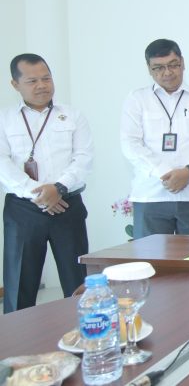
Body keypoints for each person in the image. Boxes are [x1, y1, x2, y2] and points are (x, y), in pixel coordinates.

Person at [0, 54, 93, 313]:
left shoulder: (72, 115)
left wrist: (58, 188)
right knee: (20, 283)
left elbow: (83, 158)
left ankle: (84, 333)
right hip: (23, 210)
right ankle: (17, 338)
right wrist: (39, 194)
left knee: (77, 281)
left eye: (46, 78)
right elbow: (3, 164)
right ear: (15, 84)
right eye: (32, 81)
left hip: (67, 205)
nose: (42, 85)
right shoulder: (5, 118)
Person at [121, 39, 189, 239]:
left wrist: (188, 171)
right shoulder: (137, 99)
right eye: (158, 68)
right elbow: (130, 144)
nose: (167, 72)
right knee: (150, 257)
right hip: (151, 196)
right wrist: (165, 174)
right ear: (149, 69)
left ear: (183, 63)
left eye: (173, 65)